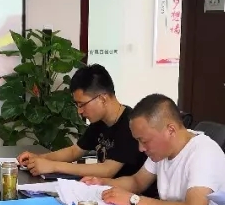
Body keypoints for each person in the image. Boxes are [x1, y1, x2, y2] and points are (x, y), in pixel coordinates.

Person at [81, 93, 225, 205]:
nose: (141, 148)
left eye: (144, 141)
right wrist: (102, 182)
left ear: (170, 130)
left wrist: (134, 200)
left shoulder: (203, 152)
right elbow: (137, 182)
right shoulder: (163, 150)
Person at [16, 64, 147, 182]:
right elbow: (75, 151)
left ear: (102, 99)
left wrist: (53, 166)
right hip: (104, 189)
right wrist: (39, 158)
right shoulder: (100, 121)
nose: (79, 111)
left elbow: (107, 170)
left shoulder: (130, 124)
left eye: (82, 104)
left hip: (130, 195)